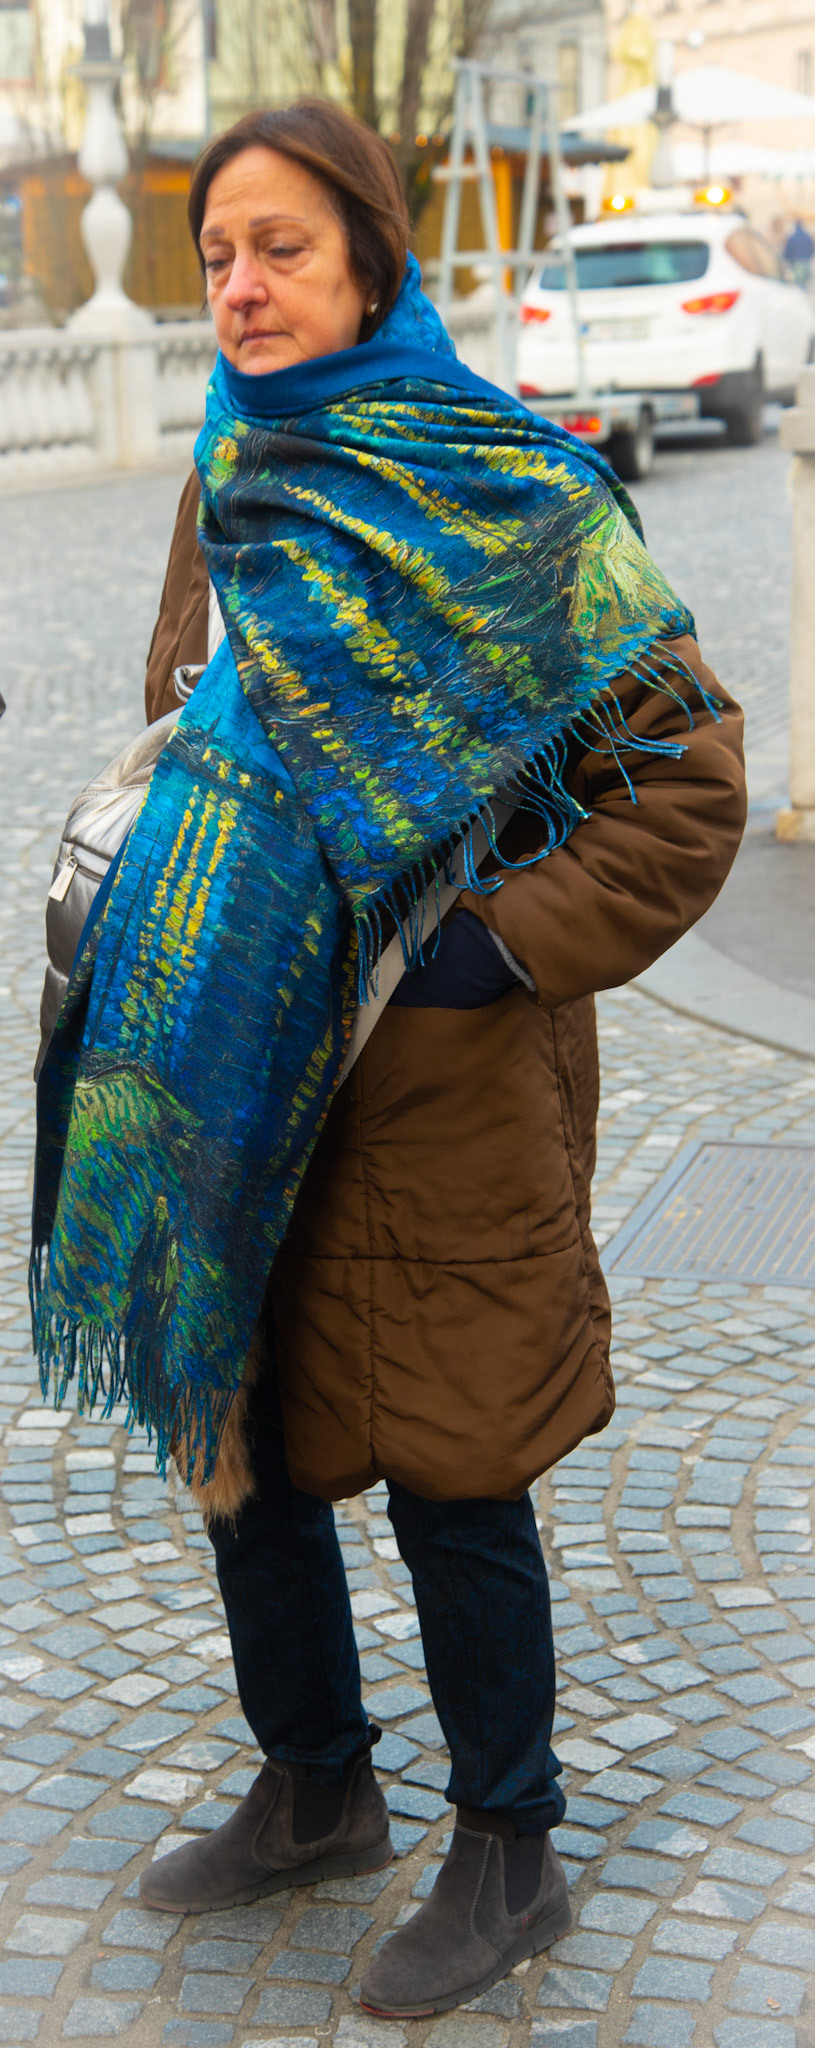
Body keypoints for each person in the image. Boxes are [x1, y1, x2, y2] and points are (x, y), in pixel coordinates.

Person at [32, 100, 747, 2020]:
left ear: (369, 255)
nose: (241, 287)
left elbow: (688, 783)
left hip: (438, 1091)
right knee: (241, 1435)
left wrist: (484, 951)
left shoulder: (507, 492)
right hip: (229, 1064)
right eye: (215, 257)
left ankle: (510, 1842)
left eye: (279, 246)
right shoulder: (229, 468)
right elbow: (199, 715)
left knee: (454, 1463)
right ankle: (315, 1781)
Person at [784, 216, 814, 286]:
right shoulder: (807, 236)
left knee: (798, 283)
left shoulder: (792, 237)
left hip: (796, 262)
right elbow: (812, 248)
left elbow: (788, 250)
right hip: (806, 261)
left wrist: (788, 259)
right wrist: (808, 256)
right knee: (804, 282)